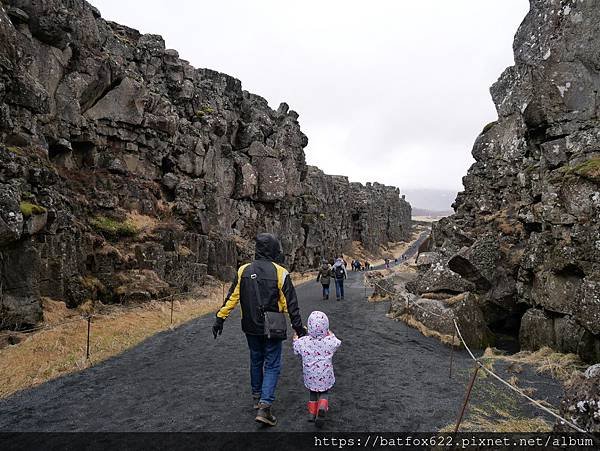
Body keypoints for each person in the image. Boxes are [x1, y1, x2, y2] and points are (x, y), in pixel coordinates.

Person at [212, 233, 306, 427]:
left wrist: (220, 318)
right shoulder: (280, 272)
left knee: (256, 360)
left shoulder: (243, 270)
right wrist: (299, 328)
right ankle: (265, 406)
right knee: (272, 364)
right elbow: (290, 304)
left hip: (251, 326)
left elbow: (233, 298)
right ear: (273, 249)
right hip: (273, 328)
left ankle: (257, 397)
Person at [293, 311, 341, 426]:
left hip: (310, 375)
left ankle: (312, 414)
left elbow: (296, 349)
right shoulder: (329, 342)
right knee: (324, 392)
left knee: (312, 392)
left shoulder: (304, 342)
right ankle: (322, 407)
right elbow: (337, 342)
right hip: (325, 375)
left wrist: (295, 337)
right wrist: (329, 333)